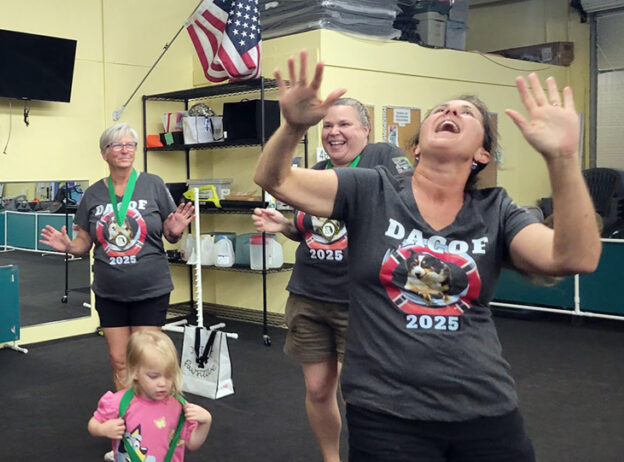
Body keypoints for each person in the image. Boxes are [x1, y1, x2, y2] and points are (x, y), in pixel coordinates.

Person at [253, 50, 600, 461]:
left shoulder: (496, 210)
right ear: (415, 148)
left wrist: (563, 158)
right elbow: (274, 179)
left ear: (482, 155)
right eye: (442, 109)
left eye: (466, 113)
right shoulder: (371, 190)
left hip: (484, 408)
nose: (452, 109)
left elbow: (574, 257)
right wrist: (292, 127)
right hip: (386, 413)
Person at [250, 97, 412, 462]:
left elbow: (407, 204)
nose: (334, 132)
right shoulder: (319, 171)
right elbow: (315, 231)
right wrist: (287, 226)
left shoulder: (383, 158)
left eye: (345, 124)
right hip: (310, 296)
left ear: (366, 130)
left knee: (357, 391)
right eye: (327, 126)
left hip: (362, 301)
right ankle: (330, 458)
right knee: (319, 389)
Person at [40, 123, 194, 393]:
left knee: (148, 361)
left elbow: (169, 235)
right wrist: (67, 246)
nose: (124, 150)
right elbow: (83, 244)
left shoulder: (153, 185)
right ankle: (128, 420)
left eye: (129, 145)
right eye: (117, 145)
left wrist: (176, 230)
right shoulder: (93, 194)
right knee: (119, 360)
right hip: (109, 291)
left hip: (150, 289)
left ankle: (152, 421)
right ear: (104, 153)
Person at [89, 330, 212, 462]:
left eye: (169, 375)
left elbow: (191, 444)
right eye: (154, 376)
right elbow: (93, 424)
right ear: (135, 372)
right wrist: (103, 429)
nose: (163, 383)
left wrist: (205, 422)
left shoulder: (178, 407)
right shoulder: (119, 402)